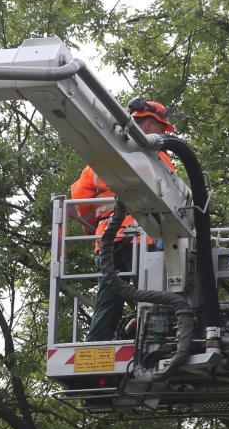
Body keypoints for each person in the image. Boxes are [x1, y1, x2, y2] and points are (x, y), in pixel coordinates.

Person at [70, 99, 177, 342]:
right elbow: (174, 196)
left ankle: (97, 342)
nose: (163, 133)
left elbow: (80, 204)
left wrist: (97, 232)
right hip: (142, 238)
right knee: (151, 293)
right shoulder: (158, 158)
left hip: (107, 241)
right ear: (147, 124)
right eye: (161, 127)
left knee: (109, 298)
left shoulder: (99, 162)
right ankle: (154, 340)